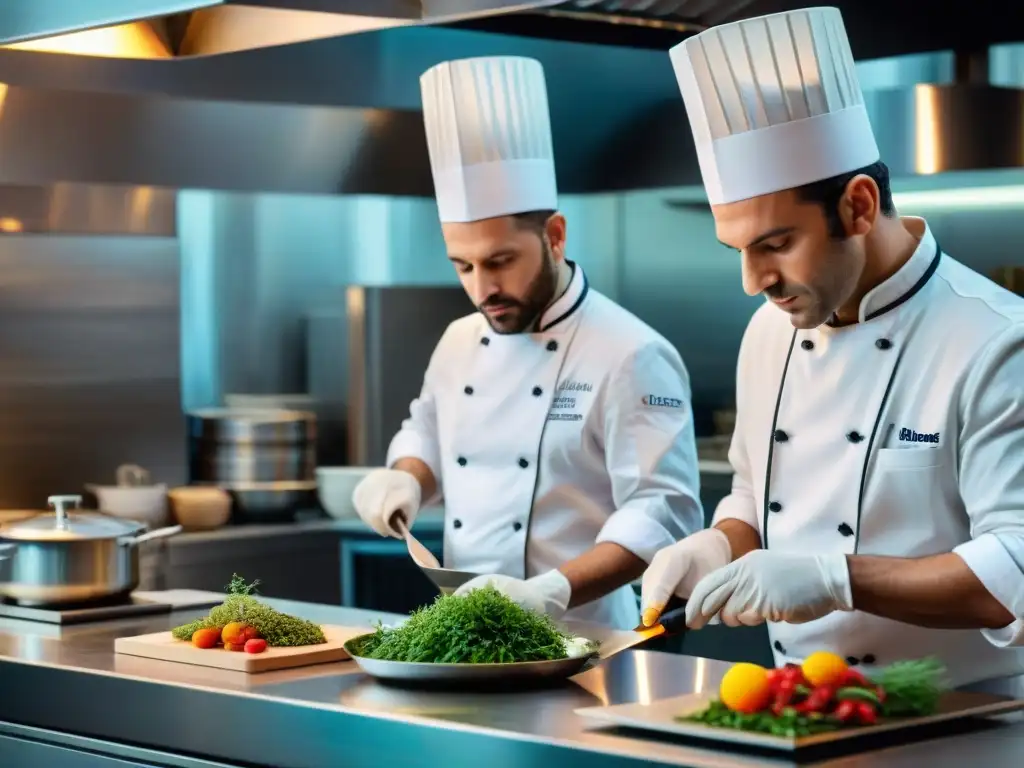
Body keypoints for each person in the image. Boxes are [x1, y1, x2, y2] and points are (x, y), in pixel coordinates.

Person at [640, 6, 1024, 686]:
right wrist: (717, 545)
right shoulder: (768, 330)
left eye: (776, 244)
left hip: (963, 732)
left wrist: (834, 578)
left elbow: (1014, 572)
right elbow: (755, 500)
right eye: (737, 249)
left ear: (860, 205)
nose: (753, 281)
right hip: (803, 714)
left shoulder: (997, 341)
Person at [351, 55, 704, 630]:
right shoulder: (459, 340)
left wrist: (553, 591)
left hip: (587, 640)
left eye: (501, 261)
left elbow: (662, 511)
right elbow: (429, 431)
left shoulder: (630, 352)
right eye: (462, 266)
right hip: (464, 634)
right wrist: (407, 478)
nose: (482, 289)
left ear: (555, 236)